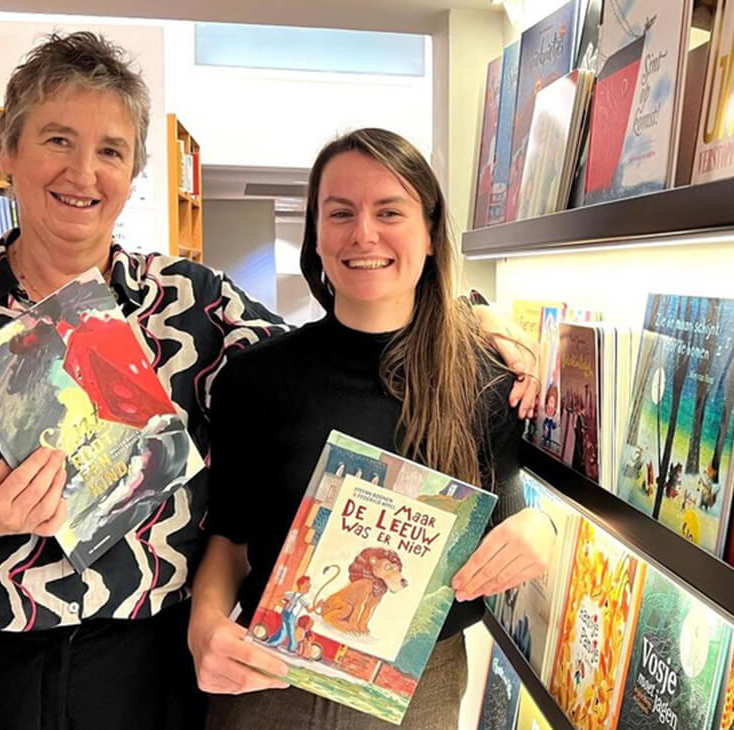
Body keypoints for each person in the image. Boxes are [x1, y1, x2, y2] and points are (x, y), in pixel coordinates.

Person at [0, 33, 534, 730]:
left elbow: (338, 358)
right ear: (9, 149)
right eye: (58, 139)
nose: (83, 173)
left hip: (142, 674)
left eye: (111, 151)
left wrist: (472, 321)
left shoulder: (190, 305)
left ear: (133, 173)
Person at [190, 128, 557, 729]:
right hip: (270, 675)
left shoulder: (488, 377)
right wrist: (204, 627)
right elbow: (229, 539)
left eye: (390, 212)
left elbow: (511, 513)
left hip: (419, 688)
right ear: (316, 234)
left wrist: (541, 530)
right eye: (341, 213)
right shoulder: (256, 379)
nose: (364, 234)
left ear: (431, 234)